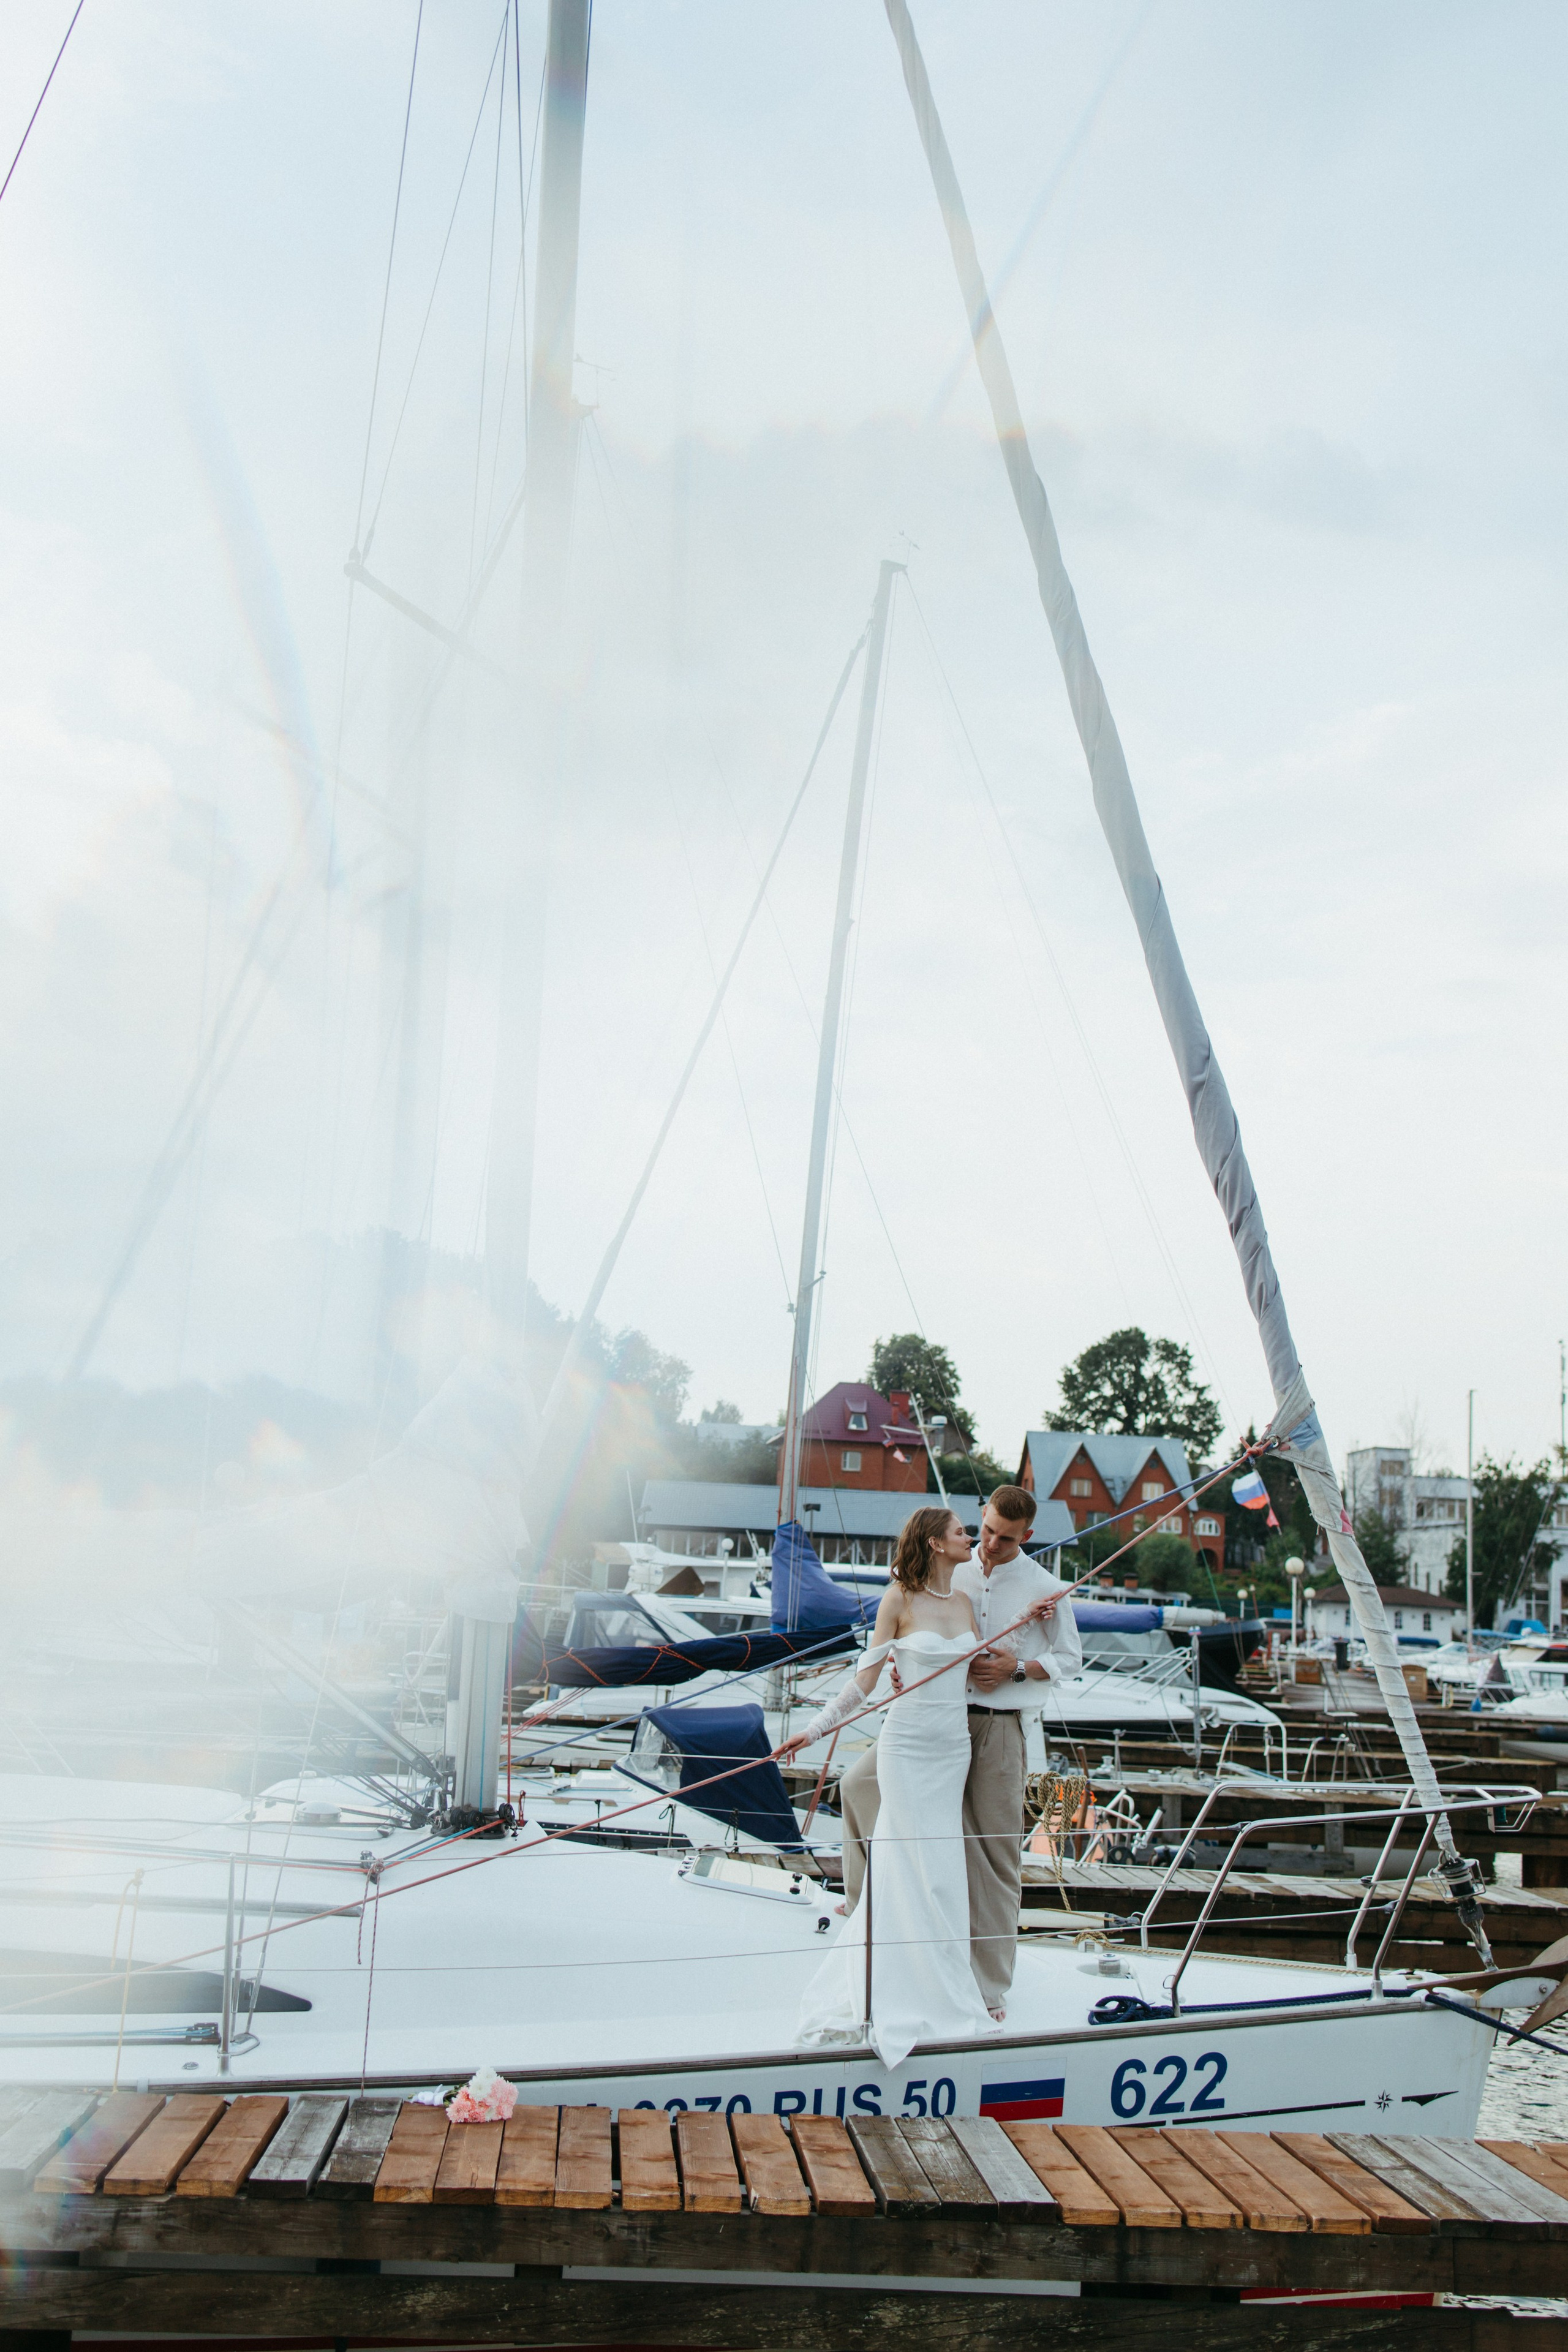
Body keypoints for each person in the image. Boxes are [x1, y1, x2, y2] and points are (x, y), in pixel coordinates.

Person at [778, 1504, 1057, 2069]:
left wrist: (1028, 1619)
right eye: (962, 1532)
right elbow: (866, 1678)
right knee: (903, 1858)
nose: (971, 1539)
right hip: (907, 1747)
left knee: (944, 1870)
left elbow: (980, 1660)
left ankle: (950, 1982)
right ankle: (889, 1975)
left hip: (953, 1748)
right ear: (935, 1544)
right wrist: (812, 1730)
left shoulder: (962, 1602)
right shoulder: (898, 1599)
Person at [835, 1483, 1080, 2021]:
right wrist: (903, 1664)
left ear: (1027, 1536)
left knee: (991, 1852)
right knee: (856, 1786)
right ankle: (864, 1915)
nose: (990, 1543)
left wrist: (1017, 1668)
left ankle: (988, 1984)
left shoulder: (1045, 1587)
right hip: (935, 1721)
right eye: (986, 1529)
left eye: (1004, 1537)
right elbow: (913, 1626)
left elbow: (1070, 1660)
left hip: (997, 1727)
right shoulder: (958, 1565)